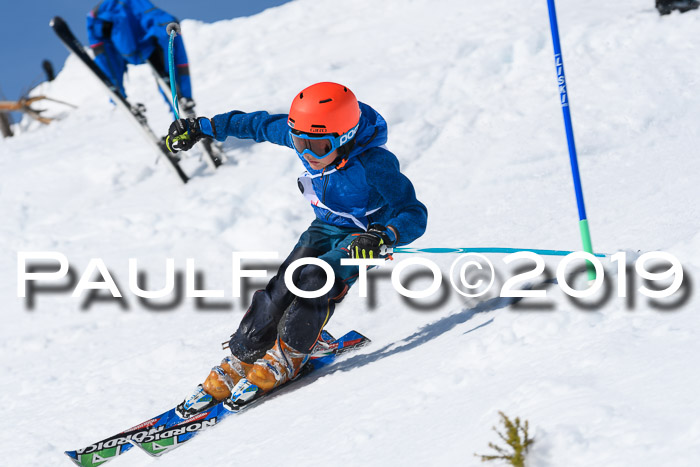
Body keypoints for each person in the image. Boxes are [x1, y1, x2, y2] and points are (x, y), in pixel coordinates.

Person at [166, 82, 427, 410]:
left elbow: (413, 212)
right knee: (284, 282)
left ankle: (291, 353)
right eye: (299, 143)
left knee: (314, 278)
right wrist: (201, 127)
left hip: (362, 238)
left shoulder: (375, 164)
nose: (306, 154)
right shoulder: (305, 136)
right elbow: (256, 125)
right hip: (325, 225)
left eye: (317, 147)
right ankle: (246, 353)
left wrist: (385, 234)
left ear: (345, 138)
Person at [86, 0, 194, 109]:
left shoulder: (141, 8)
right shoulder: (107, 10)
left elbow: (180, 62)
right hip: (126, 45)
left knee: (165, 63)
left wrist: (186, 94)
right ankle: (118, 91)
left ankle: (176, 94)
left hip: (146, 44)